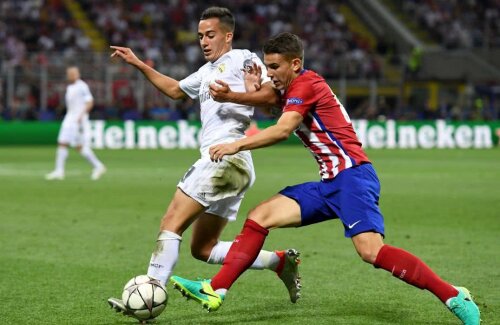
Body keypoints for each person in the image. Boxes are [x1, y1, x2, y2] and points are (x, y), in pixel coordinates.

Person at [171, 33, 480, 325]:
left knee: (371, 251)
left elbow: (281, 129)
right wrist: (241, 93)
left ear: (295, 64)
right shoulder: (292, 88)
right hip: (330, 183)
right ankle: (216, 289)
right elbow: (268, 100)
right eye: (267, 66)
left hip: (353, 178)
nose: (270, 73)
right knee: (261, 216)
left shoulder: (306, 84)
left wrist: (235, 144)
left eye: (275, 67)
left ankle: (454, 296)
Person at [107, 8, 301, 318]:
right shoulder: (205, 72)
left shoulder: (242, 59)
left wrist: (241, 92)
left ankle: (149, 294)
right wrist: (137, 62)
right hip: (233, 165)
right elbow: (174, 90)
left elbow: (271, 94)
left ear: (227, 35)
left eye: (210, 35)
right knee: (204, 248)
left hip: (225, 156)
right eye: (200, 36)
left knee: (171, 222)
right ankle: (279, 261)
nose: (204, 41)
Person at [45, 66, 106, 181]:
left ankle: (98, 166)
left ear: (78, 74)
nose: (71, 75)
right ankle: (59, 171)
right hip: (69, 119)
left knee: (79, 146)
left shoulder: (82, 86)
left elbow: (90, 102)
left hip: (78, 120)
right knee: (63, 143)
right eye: (70, 73)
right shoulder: (70, 87)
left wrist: (81, 115)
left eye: (73, 73)